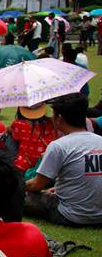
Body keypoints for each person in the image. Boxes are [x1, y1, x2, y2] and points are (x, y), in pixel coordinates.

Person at [24, 93, 102, 225]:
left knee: (19, 196)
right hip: (99, 214)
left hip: (70, 215)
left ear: (59, 118)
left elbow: (36, 185)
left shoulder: (59, 146)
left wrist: (19, 186)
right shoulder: (99, 140)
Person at [9, 104, 60, 174]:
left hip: (24, 165)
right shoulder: (51, 122)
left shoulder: (18, 124)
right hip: (47, 163)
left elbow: (14, 136)